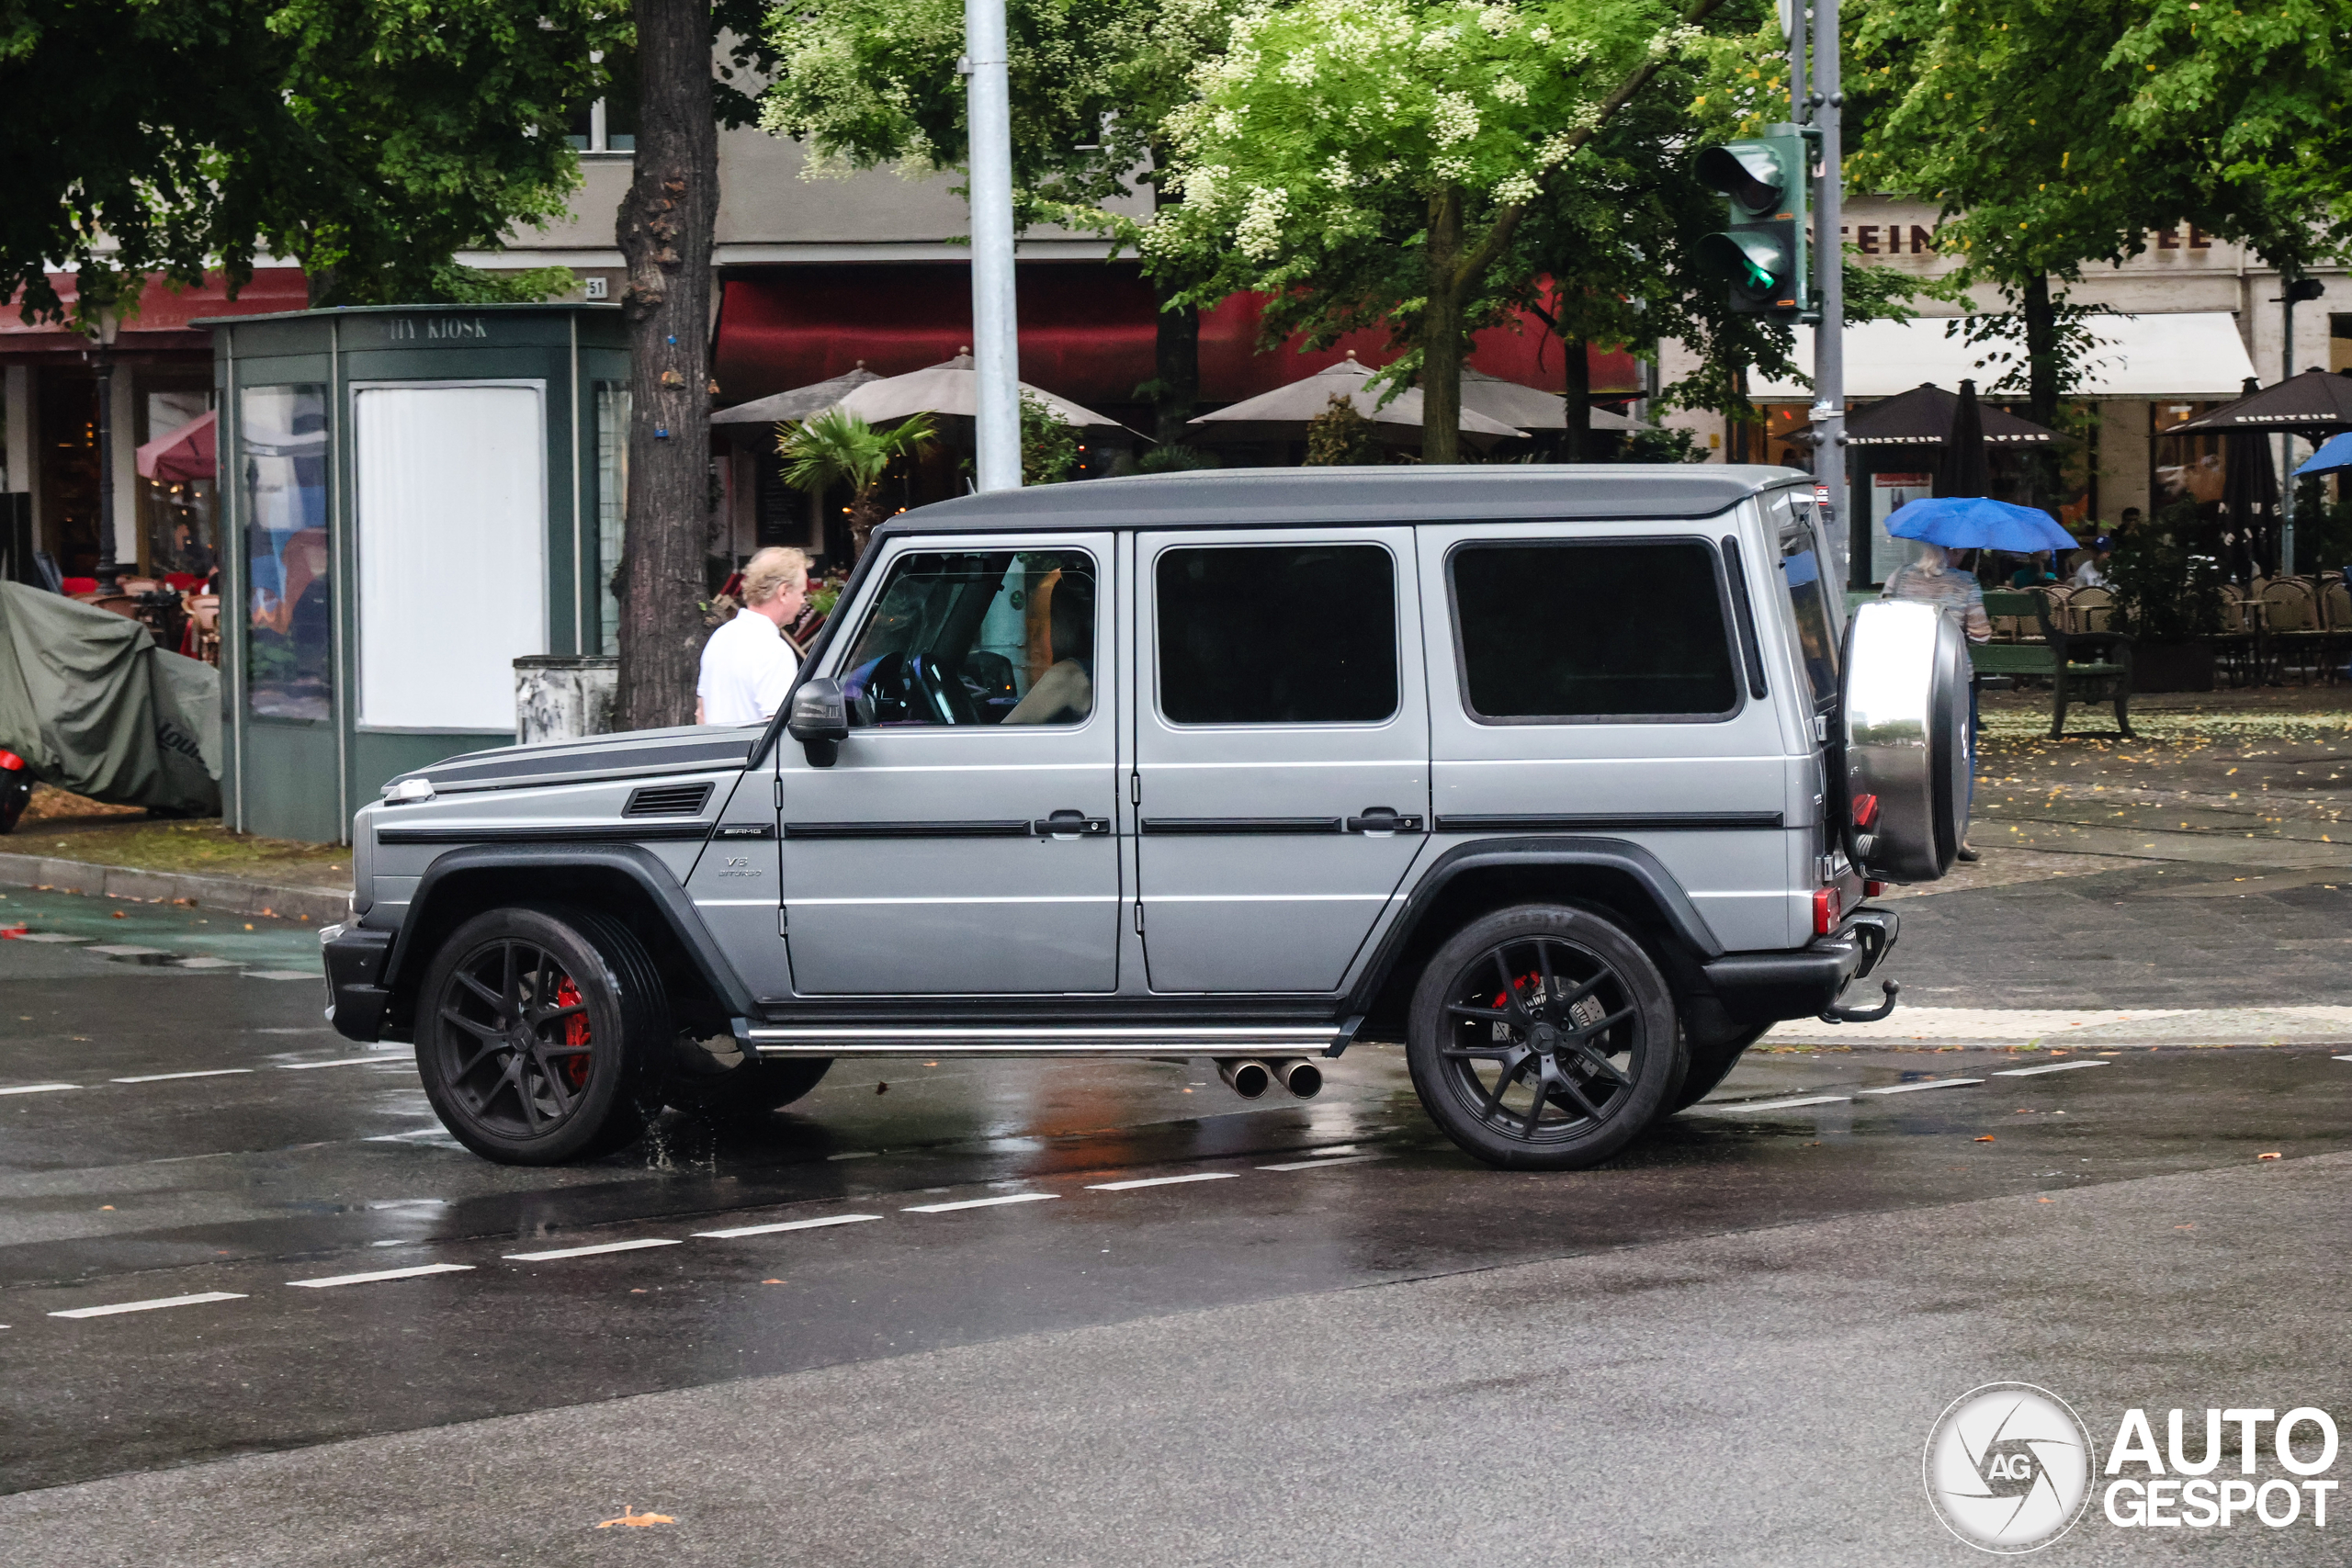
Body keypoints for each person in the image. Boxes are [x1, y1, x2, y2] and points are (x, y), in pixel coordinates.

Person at [1882, 544, 1990, 861]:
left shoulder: (1898, 577)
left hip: (1904, 677)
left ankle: (1901, 830)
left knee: (1903, 751)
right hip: (1950, 680)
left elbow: (1883, 619)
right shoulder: (1966, 583)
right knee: (1960, 754)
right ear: (1954, 549)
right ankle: (1955, 834)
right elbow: (1981, 636)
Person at [696, 546, 808, 725]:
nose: (803, 601)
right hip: (752, 753)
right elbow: (776, 731)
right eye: (802, 593)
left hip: (716, 751)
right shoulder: (775, 651)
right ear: (784, 592)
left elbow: (701, 714)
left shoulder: (719, 637)